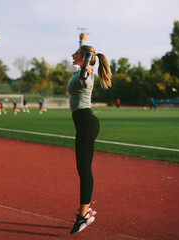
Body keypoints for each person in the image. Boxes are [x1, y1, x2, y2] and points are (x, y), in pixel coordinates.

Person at [67, 33, 111, 234]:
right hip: (84, 123)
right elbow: (85, 56)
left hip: (86, 122)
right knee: (81, 168)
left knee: (84, 170)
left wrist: (86, 65)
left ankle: (83, 214)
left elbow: (86, 68)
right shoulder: (79, 70)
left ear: (84, 58)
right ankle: (87, 208)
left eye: (76, 52)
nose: (72, 54)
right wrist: (81, 42)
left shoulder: (85, 72)